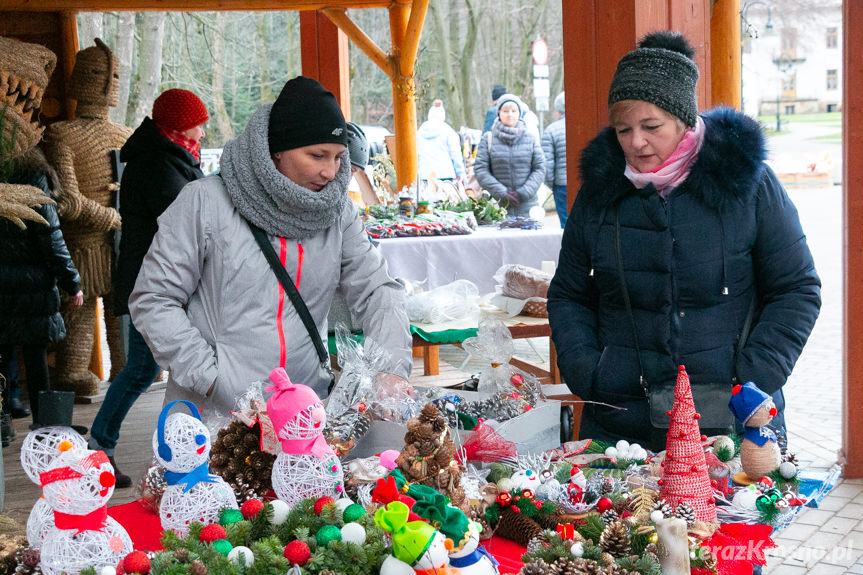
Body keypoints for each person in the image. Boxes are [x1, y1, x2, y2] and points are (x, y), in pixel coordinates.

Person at [546, 32, 821, 451]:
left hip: (731, 419)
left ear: (685, 119)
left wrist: (754, 375)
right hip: (621, 425)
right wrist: (589, 371)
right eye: (623, 129)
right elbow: (568, 294)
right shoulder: (600, 193)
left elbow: (798, 289)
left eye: (650, 126)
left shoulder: (748, 185)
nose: (635, 142)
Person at [130, 76, 412, 416]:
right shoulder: (205, 202)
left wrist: (392, 368)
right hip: (214, 415)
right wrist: (212, 380)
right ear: (275, 151)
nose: (330, 172)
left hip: (306, 412)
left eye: (339, 157)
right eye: (317, 155)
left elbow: (377, 290)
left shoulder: (339, 213)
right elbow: (154, 299)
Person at [87, 88, 208, 486]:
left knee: (151, 369)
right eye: (198, 124)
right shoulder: (157, 164)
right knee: (142, 368)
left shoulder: (172, 157)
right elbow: (188, 218)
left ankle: (180, 445)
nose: (203, 133)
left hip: (162, 279)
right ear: (177, 125)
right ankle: (100, 448)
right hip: (151, 284)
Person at [0, 40, 84, 444]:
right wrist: (72, 282)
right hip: (32, 284)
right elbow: (50, 237)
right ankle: (46, 426)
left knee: (1, 355)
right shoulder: (33, 171)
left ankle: (4, 419)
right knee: (36, 356)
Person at [473, 94, 545, 218]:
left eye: (514, 111)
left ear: (519, 113)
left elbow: (540, 168)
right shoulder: (488, 139)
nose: (510, 115)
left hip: (527, 206)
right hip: (496, 207)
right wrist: (502, 193)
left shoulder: (530, 138)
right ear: (499, 113)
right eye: (505, 111)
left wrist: (523, 193)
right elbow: (481, 170)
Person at [416, 100, 465, 182]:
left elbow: (416, 154)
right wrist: (460, 172)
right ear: (443, 116)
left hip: (425, 174)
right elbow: (455, 153)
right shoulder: (447, 130)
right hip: (445, 174)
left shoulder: (419, 132)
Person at [542, 91, 568, 227]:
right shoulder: (583, 126)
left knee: (565, 224)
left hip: (561, 185)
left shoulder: (551, 130)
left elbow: (547, 163)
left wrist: (551, 184)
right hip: (586, 182)